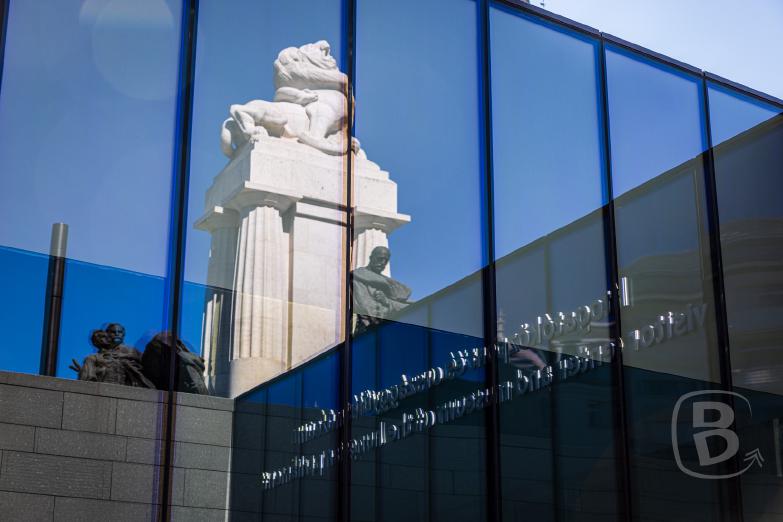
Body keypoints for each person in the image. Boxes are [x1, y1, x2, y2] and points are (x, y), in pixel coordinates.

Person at [70, 323, 155, 388]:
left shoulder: (132, 351)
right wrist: (85, 372)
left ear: (123, 334)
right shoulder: (95, 357)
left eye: (120, 332)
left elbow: (146, 368)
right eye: (113, 332)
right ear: (107, 334)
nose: (117, 334)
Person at [352, 246, 411, 335]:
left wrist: (387, 302)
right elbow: (368, 308)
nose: (383, 263)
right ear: (371, 258)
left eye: (386, 261)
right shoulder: (358, 277)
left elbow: (407, 306)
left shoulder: (391, 283)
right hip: (368, 331)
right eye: (380, 259)